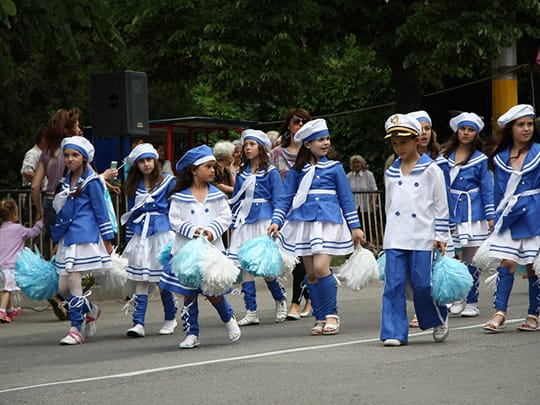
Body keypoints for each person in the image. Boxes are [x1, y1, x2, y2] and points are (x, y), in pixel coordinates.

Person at [268, 118, 365, 336]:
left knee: (321, 268)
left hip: (329, 222)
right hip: (305, 224)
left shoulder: (335, 167)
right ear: (307, 144)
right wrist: (276, 220)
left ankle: (331, 314)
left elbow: (346, 198)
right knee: (311, 274)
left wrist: (355, 226)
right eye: (320, 139)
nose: (326, 143)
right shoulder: (297, 171)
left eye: (327, 138)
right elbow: (285, 198)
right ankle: (319, 317)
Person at [158, 145, 241, 349]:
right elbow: (174, 219)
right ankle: (192, 333)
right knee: (188, 293)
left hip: (210, 251)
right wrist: (192, 230)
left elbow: (226, 216)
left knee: (213, 292)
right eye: (208, 167)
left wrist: (212, 230)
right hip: (186, 252)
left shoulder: (217, 194)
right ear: (194, 170)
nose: (213, 171)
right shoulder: (180, 196)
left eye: (213, 167)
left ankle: (229, 318)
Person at [380, 113, 450, 346]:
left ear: (417, 140)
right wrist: (387, 237)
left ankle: (437, 317)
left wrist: (441, 235)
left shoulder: (431, 169)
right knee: (393, 285)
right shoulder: (391, 172)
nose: (399, 148)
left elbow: (441, 204)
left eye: (404, 142)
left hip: (423, 235)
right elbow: (390, 206)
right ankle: (393, 332)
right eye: (395, 143)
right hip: (396, 236)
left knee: (422, 284)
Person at [51, 136, 114, 345]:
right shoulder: (65, 181)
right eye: (67, 155)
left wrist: (107, 238)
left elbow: (101, 210)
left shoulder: (92, 181)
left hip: (84, 236)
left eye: (75, 155)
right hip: (67, 237)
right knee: (63, 287)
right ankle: (91, 309)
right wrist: (56, 240)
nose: (70, 159)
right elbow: (62, 214)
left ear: (84, 158)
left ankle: (75, 328)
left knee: (74, 279)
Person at [483, 104, 540, 333]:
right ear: (511, 129)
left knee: (533, 266)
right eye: (521, 125)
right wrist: (495, 219)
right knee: (506, 262)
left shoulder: (539, 152)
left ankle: (534, 313)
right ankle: (499, 312)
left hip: (535, 213)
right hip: (509, 214)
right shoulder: (500, 157)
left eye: (529, 124)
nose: (526, 129)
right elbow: (499, 191)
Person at [228, 129, 287, 326]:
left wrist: (276, 221)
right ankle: (251, 310)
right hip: (245, 222)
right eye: (246, 145)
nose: (247, 148)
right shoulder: (241, 173)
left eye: (252, 144)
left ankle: (280, 299)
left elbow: (279, 199)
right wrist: (233, 223)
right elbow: (236, 200)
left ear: (261, 148)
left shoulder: (271, 172)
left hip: (264, 221)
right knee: (245, 267)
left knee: (266, 269)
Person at [31, 108, 84, 320]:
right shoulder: (74, 152)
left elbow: (35, 186)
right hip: (68, 204)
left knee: (58, 250)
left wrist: (39, 210)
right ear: (68, 129)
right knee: (71, 253)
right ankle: (68, 297)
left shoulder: (47, 153)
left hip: (49, 201)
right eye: (77, 125)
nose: (80, 129)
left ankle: (59, 294)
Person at [120, 143, 177, 337]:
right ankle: (138, 323)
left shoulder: (168, 181)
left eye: (149, 160)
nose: (146, 164)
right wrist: (129, 239)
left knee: (162, 279)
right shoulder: (133, 186)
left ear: (155, 161)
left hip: (163, 234)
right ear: (136, 165)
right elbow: (131, 214)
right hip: (141, 236)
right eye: (142, 161)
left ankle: (170, 318)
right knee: (141, 279)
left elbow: (176, 209)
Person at [443, 112, 494, 318]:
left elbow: (487, 189)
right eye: (463, 129)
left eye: (470, 130)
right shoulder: (445, 156)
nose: (466, 133)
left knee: (471, 260)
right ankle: (457, 297)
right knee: (451, 257)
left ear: (476, 134)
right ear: (457, 131)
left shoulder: (480, 159)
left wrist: (490, 216)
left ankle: (472, 301)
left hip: (473, 213)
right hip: (451, 210)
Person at [270, 108, 313, 320]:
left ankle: (298, 302)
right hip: (285, 207)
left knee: (306, 255)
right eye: (296, 121)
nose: (300, 125)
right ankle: (309, 297)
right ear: (289, 124)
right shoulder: (277, 153)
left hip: (307, 207)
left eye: (305, 121)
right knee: (294, 255)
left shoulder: (312, 151)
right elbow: (273, 181)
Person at [0, 198, 43, 322]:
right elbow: (32, 233)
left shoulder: (1, 230)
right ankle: (1, 311)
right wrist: (40, 222)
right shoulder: (18, 229)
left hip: (1, 266)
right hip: (11, 265)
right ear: (14, 214)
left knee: (5, 289)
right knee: (7, 290)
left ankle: (9, 311)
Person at [346, 154, 378, 243]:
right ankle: (356, 243)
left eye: (358, 162)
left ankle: (371, 242)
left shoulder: (369, 175)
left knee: (368, 224)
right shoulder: (348, 176)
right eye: (354, 163)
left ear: (362, 163)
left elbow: (374, 190)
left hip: (366, 204)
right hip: (354, 206)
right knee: (356, 225)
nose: (356, 165)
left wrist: (374, 203)